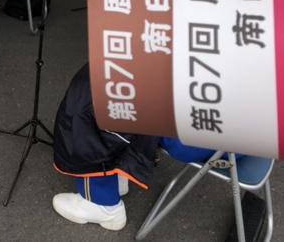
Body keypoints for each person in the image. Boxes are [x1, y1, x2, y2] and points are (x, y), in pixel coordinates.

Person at [52, 63, 227, 231]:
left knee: (94, 98)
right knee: (125, 79)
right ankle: (119, 169)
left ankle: (101, 204)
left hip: (211, 134)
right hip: (232, 127)